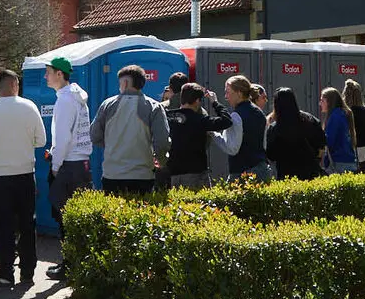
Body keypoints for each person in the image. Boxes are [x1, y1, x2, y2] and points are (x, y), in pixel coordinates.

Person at [0, 70, 47, 287]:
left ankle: (5, 274)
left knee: (4, 227)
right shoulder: (30, 106)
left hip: (0, 175)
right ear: (16, 84)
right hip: (26, 173)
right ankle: (27, 272)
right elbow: (41, 140)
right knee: (27, 224)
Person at [44, 57, 93, 280]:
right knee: (73, 217)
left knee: (64, 217)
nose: (45, 76)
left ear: (60, 74)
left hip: (68, 164)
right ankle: (74, 263)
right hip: (79, 164)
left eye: (48, 72)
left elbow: (63, 138)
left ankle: (69, 265)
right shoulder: (75, 97)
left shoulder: (65, 100)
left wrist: (55, 166)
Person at [90, 65, 170, 195]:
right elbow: (162, 142)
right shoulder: (154, 107)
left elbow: (94, 136)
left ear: (125, 83)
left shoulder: (107, 105)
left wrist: (112, 145)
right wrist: (161, 162)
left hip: (112, 175)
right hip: (143, 175)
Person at [165, 82, 232, 189]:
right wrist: (215, 102)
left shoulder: (168, 117)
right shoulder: (199, 119)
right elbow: (227, 121)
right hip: (196, 173)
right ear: (197, 101)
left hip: (174, 174)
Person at [265, 88, 327, 180]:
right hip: (310, 173)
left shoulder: (275, 128)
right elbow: (321, 144)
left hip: (286, 175)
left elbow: (271, 155)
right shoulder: (310, 120)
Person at [224, 75, 272, 181]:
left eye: (228, 92)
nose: (226, 96)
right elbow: (264, 144)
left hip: (242, 173)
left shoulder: (236, 116)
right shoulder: (259, 113)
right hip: (262, 170)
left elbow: (232, 148)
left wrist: (213, 134)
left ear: (239, 93)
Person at [320, 87, 358, 174]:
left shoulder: (335, 116)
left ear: (330, 102)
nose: (320, 103)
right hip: (349, 160)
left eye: (322, 101)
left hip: (338, 162)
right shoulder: (343, 113)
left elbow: (329, 140)